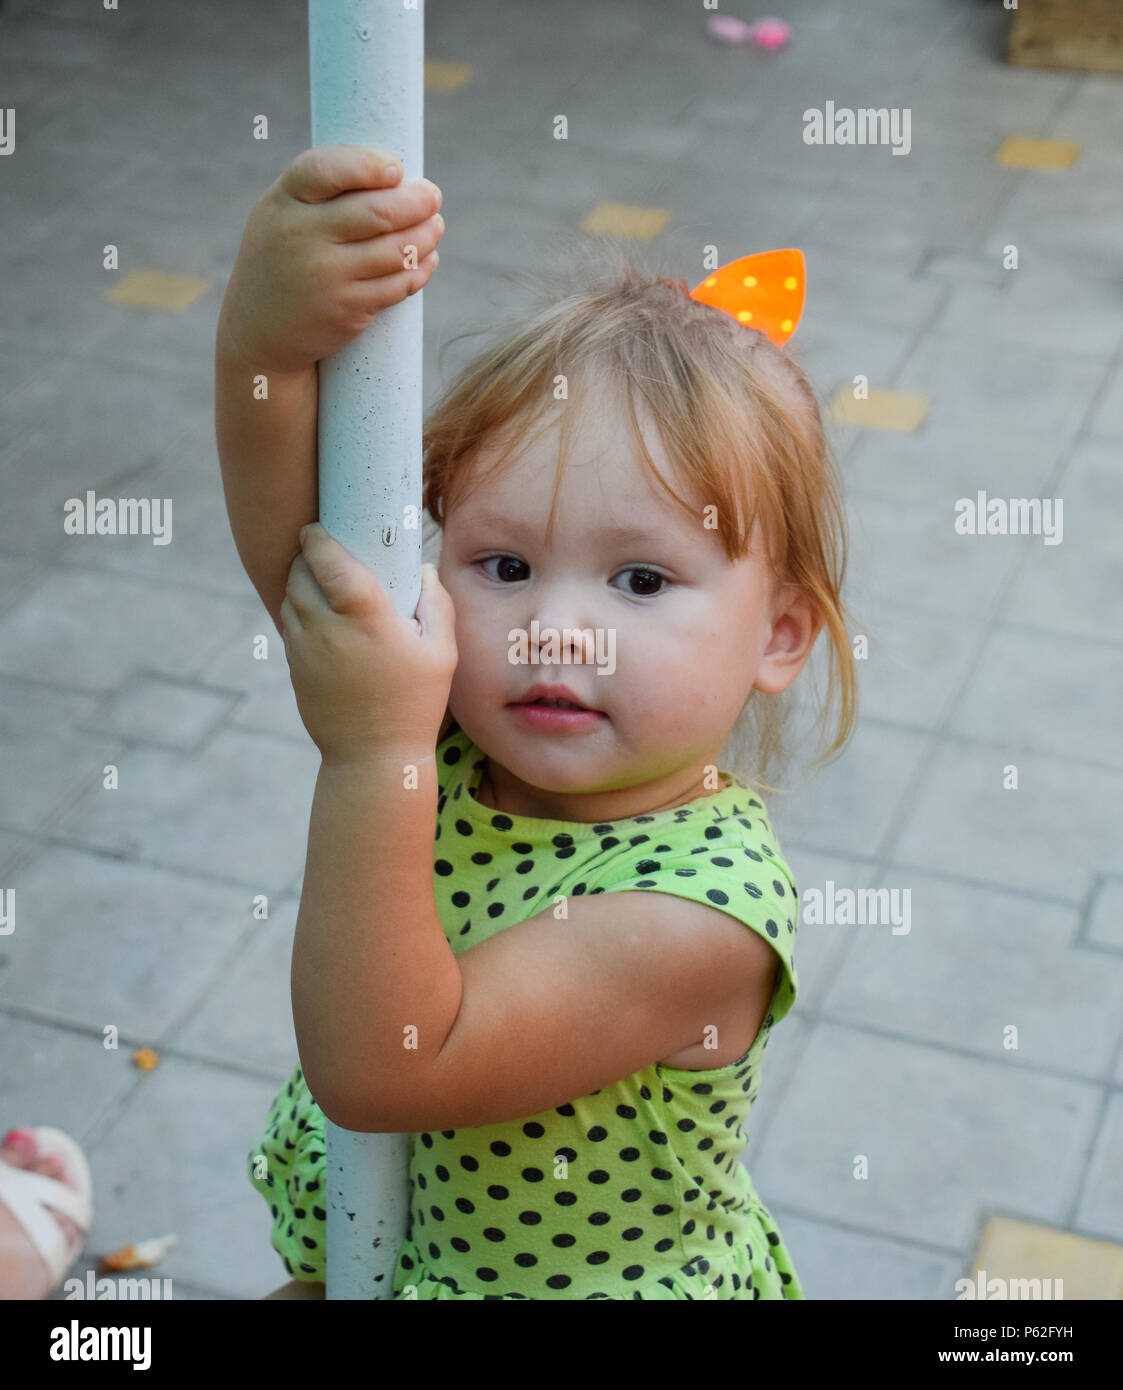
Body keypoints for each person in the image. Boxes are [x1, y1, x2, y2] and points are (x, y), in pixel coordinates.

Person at [216, 145, 857, 1300]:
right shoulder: (461, 722)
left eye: (642, 582)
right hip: (394, 1246)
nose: (555, 632)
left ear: (780, 636)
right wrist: (265, 351)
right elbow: (306, 564)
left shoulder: (695, 919)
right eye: (504, 563)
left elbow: (389, 1069)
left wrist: (375, 752)